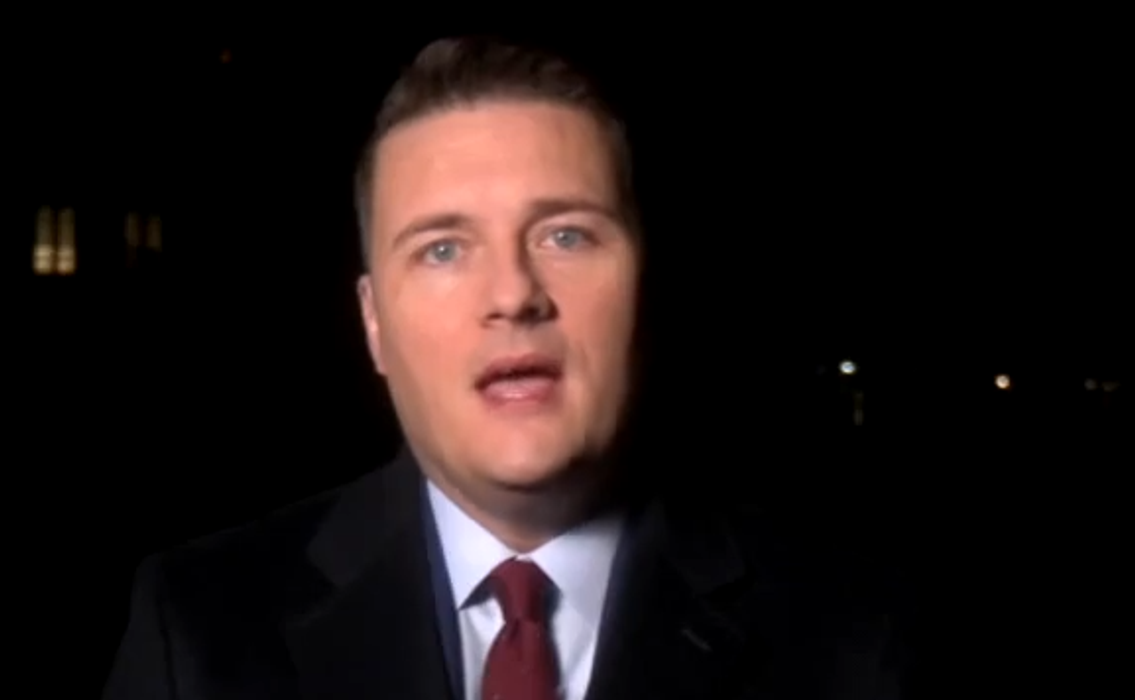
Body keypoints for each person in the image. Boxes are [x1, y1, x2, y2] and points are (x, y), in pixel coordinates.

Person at [102, 36, 911, 699]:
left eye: (565, 235)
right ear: (374, 324)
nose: (513, 294)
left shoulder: (855, 630)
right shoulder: (199, 626)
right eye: (442, 250)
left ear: (643, 289)